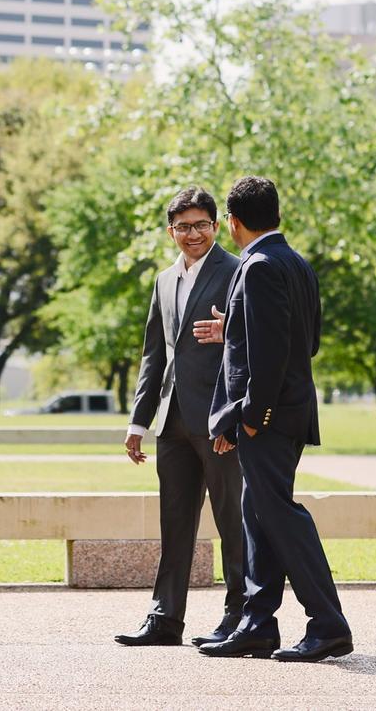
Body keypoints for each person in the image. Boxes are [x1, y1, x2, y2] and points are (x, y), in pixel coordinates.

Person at [197, 176, 353, 663]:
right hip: (283, 411)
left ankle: (328, 625)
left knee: (280, 514)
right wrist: (235, 327)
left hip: (268, 415)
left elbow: (269, 354)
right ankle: (256, 624)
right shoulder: (296, 263)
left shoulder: (259, 266)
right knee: (256, 513)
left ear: (232, 221)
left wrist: (250, 417)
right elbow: (306, 341)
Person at [113, 187, 247, 649]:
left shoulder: (238, 273)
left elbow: (254, 346)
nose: (194, 234)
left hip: (220, 423)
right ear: (171, 231)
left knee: (234, 523)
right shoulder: (163, 280)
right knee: (174, 524)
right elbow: (155, 356)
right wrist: (138, 422)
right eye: (184, 226)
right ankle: (164, 619)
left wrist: (236, 415)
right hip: (171, 424)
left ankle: (239, 617)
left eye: (203, 224)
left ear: (216, 225)